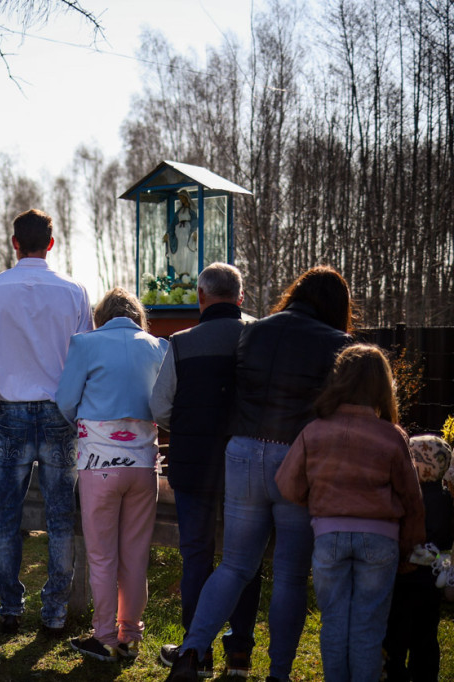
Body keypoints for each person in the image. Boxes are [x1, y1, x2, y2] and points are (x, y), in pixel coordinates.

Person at [166, 265, 353, 682]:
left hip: (243, 451)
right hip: (295, 459)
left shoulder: (256, 331)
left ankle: (191, 653)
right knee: (289, 574)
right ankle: (278, 673)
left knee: (233, 565)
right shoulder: (337, 344)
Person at [276, 344, 425, 682]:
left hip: (329, 537)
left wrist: (322, 504)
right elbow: (413, 500)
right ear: (383, 387)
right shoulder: (392, 436)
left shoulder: (314, 431)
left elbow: (288, 485)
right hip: (380, 541)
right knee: (368, 628)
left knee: (334, 624)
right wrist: (411, 548)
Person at [0, 208, 93, 635]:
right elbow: (84, 358)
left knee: (6, 515)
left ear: (13, 243)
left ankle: (10, 608)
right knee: (60, 515)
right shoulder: (74, 290)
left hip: (11, 412)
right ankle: (55, 612)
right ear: (51, 242)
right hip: (60, 411)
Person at [149, 263, 262, 678]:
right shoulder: (259, 336)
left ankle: (197, 650)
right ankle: (240, 652)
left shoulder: (180, 344)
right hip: (249, 466)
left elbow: (160, 407)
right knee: (244, 560)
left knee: (196, 555)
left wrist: (191, 424)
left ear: (199, 296)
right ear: (241, 297)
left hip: (194, 465)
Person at [55, 288, 167, 662]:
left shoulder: (85, 344)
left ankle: (104, 636)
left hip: (99, 465)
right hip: (143, 465)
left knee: (102, 556)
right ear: (138, 316)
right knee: (135, 556)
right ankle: (130, 636)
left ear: (99, 316)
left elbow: (66, 401)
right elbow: (166, 405)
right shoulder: (158, 347)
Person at [382, 434, 453, 682]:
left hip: (402, 578)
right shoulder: (446, 500)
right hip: (431, 582)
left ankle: (394, 675)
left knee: (396, 637)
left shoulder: (405, 496)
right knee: (426, 639)